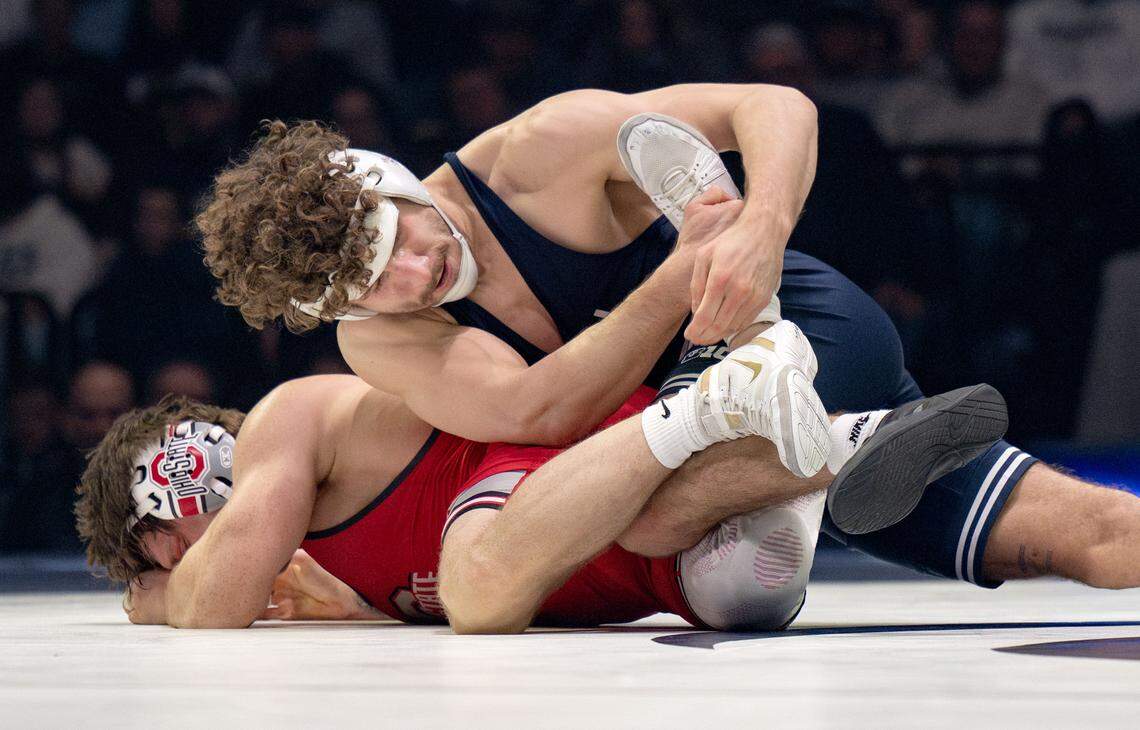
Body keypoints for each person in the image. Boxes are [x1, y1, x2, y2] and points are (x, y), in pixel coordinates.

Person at [195, 83, 1077, 588]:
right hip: (715, 422)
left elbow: (776, 104)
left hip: (811, 337)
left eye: (396, 242)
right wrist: (678, 268)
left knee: (644, 513)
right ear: (342, 312)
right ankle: (850, 454)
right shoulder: (376, 343)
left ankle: (812, 436)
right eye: (370, 288)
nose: (412, 277)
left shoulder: (536, 153)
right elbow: (538, 412)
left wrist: (759, 228)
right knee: (1081, 533)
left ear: (389, 183)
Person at [76, 349, 1032, 633]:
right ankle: (805, 475)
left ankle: (791, 429)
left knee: (477, 590)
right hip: (632, 566)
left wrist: (149, 599)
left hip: (522, 478)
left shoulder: (286, 421)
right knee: (734, 585)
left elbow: (210, 613)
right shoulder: (299, 572)